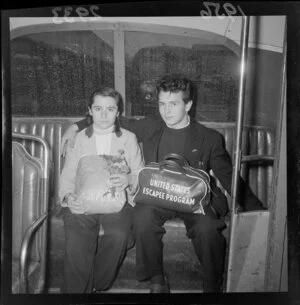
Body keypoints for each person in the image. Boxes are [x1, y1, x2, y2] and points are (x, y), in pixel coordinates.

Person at [61, 74, 265, 293]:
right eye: (162, 104)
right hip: (157, 196)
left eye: (173, 104)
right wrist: (75, 126)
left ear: (188, 105)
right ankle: (156, 278)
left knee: (207, 229)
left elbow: (228, 176)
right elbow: (109, 118)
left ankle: (212, 284)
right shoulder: (151, 126)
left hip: (193, 198)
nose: (166, 111)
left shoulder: (209, 138)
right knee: (142, 218)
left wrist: (259, 212)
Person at [59, 87, 144, 293]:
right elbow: (68, 174)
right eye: (98, 108)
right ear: (90, 110)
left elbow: (141, 174)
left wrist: (128, 179)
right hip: (82, 199)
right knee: (77, 240)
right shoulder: (78, 138)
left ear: (118, 112)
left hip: (118, 202)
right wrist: (69, 197)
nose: (104, 115)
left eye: (110, 109)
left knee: (119, 235)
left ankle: (97, 284)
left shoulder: (129, 138)